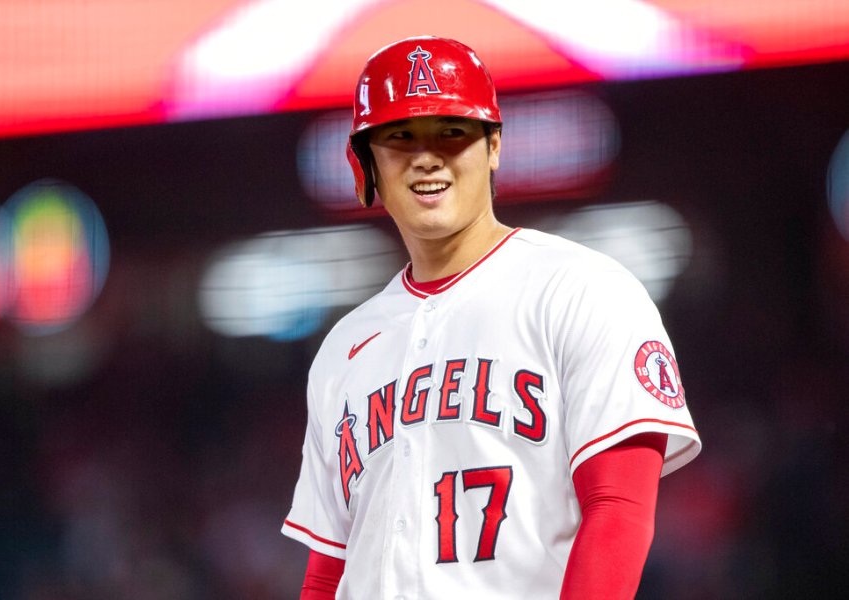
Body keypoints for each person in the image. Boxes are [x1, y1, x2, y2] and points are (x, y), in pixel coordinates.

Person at [282, 36, 701, 599]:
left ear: (494, 146)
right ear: (366, 164)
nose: (427, 157)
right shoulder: (344, 349)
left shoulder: (581, 289)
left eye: (451, 132)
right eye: (400, 136)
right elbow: (329, 568)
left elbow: (618, 509)